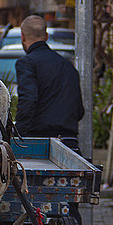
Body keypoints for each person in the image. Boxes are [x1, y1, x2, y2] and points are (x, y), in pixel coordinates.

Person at [14, 15, 84, 151]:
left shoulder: (26, 63)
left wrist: (18, 135)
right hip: (69, 142)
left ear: (22, 37)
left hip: (39, 142)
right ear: (46, 36)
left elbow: (28, 100)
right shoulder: (67, 65)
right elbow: (79, 110)